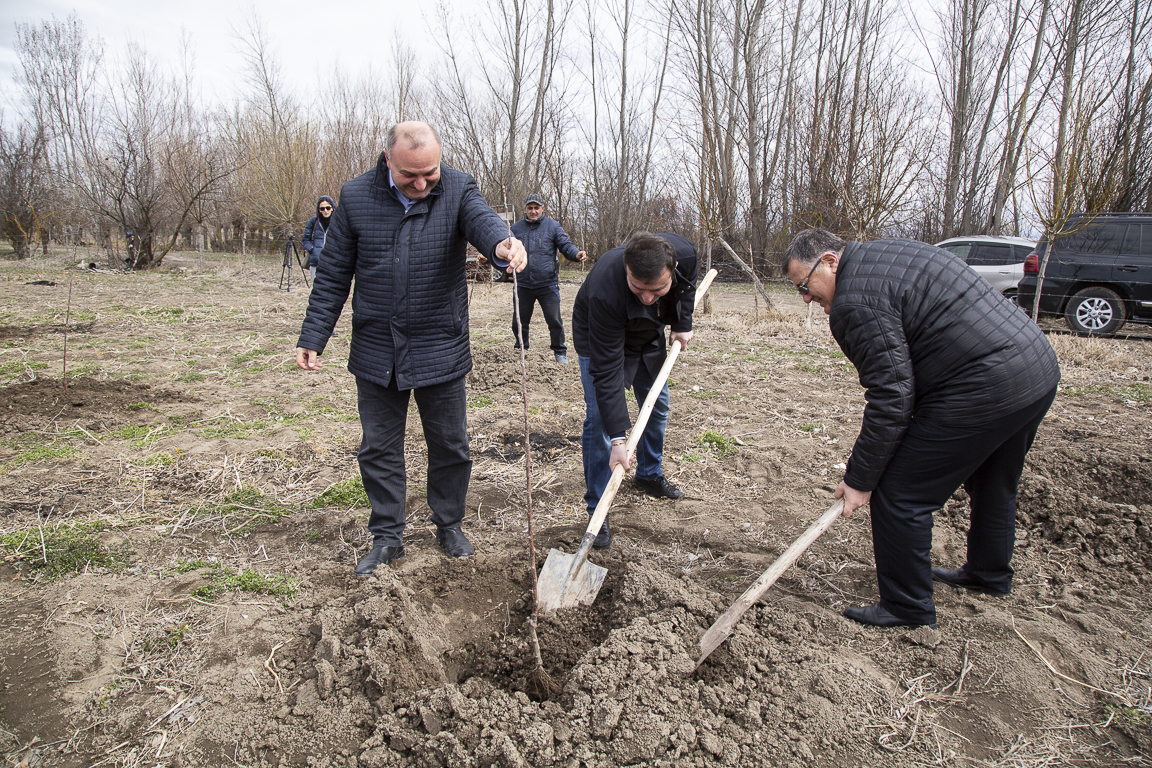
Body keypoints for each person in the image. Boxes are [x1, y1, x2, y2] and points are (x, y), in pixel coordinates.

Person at [781, 228, 1061, 629]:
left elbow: (891, 396)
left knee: (899, 494)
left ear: (830, 261)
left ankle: (906, 607)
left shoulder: (854, 302)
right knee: (992, 480)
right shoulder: (890, 253)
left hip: (985, 384)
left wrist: (861, 479)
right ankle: (988, 574)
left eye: (804, 286)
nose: (806, 298)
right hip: (1034, 369)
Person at [295, 121, 528, 577]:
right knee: (378, 449)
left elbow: (482, 222)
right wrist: (313, 335)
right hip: (376, 347)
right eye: (409, 175)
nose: (421, 184)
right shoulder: (356, 197)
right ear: (388, 160)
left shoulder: (458, 188)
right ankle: (387, 537)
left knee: (451, 445)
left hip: (440, 342)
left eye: (429, 173)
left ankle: (449, 525)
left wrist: (503, 245)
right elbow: (334, 274)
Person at [572, 231, 698, 549]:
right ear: (627, 269)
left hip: (648, 333)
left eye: (657, 289)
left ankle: (649, 474)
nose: (647, 297)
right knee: (600, 422)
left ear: (673, 268)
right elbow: (607, 372)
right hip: (600, 337)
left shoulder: (685, 253)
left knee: (657, 406)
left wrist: (682, 323)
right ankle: (598, 511)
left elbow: (687, 287)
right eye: (638, 287)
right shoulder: (605, 290)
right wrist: (618, 440)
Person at [508, 194, 586, 362]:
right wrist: (487, 257)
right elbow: (506, 249)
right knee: (519, 322)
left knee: (554, 320)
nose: (533, 211)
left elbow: (565, 245)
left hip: (547, 283)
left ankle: (560, 352)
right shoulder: (515, 229)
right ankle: (521, 349)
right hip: (523, 283)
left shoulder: (553, 226)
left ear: (542, 208)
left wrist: (576, 254)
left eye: (536, 208)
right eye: (530, 208)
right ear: (525, 209)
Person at [302, 195, 335, 281]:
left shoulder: (338, 223)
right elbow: (305, 239)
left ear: (332, 208)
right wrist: (312, 250)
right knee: (317, 288)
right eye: (322, 209)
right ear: (319, 210)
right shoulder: (313, 222)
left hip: (333, 263)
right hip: (316, 263)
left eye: (328, 208)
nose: (325, 211)